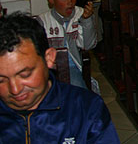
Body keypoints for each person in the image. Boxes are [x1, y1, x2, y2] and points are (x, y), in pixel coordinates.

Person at [0, 13, 118, 142]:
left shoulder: (86, 109)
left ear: (49, 58)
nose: (15, 90)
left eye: (25, 74)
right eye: (1, 80)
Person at [37, 0, 96, 89]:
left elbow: (88, 45)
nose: (70, 2)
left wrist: (86, 21)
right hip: (50, 70)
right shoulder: (43, 21)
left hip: (72, 68)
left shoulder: (82, 14)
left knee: (77, 92)